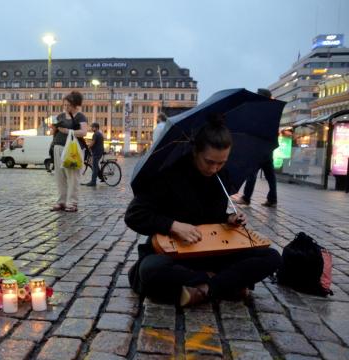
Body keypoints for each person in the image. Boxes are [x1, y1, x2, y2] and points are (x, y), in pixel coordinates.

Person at [125, 114, 281, 307]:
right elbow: (134, 215)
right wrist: (173, 226)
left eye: (221, 163)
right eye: (209, 162)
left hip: (211, 254)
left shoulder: (221, 176)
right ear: (195, 152)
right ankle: (225, 284)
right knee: (150, 269)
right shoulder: (168, 174)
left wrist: (229, 219)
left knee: (271, 257)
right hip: (176, 256)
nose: (214, 168)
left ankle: (206, 288)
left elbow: (210, 217)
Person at [235, 88, 278, 207]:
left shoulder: (260, 110)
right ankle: (272, 199)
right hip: (268, 147)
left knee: (251, 173)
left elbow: (254, 128)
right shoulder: (273, 110)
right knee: (270, 175)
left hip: (258, 147)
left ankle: (246, 198)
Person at [50, 91, 88, 212]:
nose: (66, 107)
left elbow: (83, 132)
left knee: (73, 176)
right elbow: (53, 132)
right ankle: (61, 201)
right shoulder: (60, 116)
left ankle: (72, 203)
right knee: (60, 176)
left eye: (68, 105)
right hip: (58, 146)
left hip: (72, 149)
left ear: (75, 105)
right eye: (64, 105)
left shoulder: (80, 116)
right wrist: (54, 128)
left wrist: (68, 131)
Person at [83, 122, 104, 186]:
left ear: (96, 127)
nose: (91, 128)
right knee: (96, 166)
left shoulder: (95, 134)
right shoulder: (99, 133)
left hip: (97, 152)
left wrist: (87, 147)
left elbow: (92, 143)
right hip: (99, 151)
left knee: (94, 167)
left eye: (92, 127)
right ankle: (101, 177)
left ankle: (93, 182)